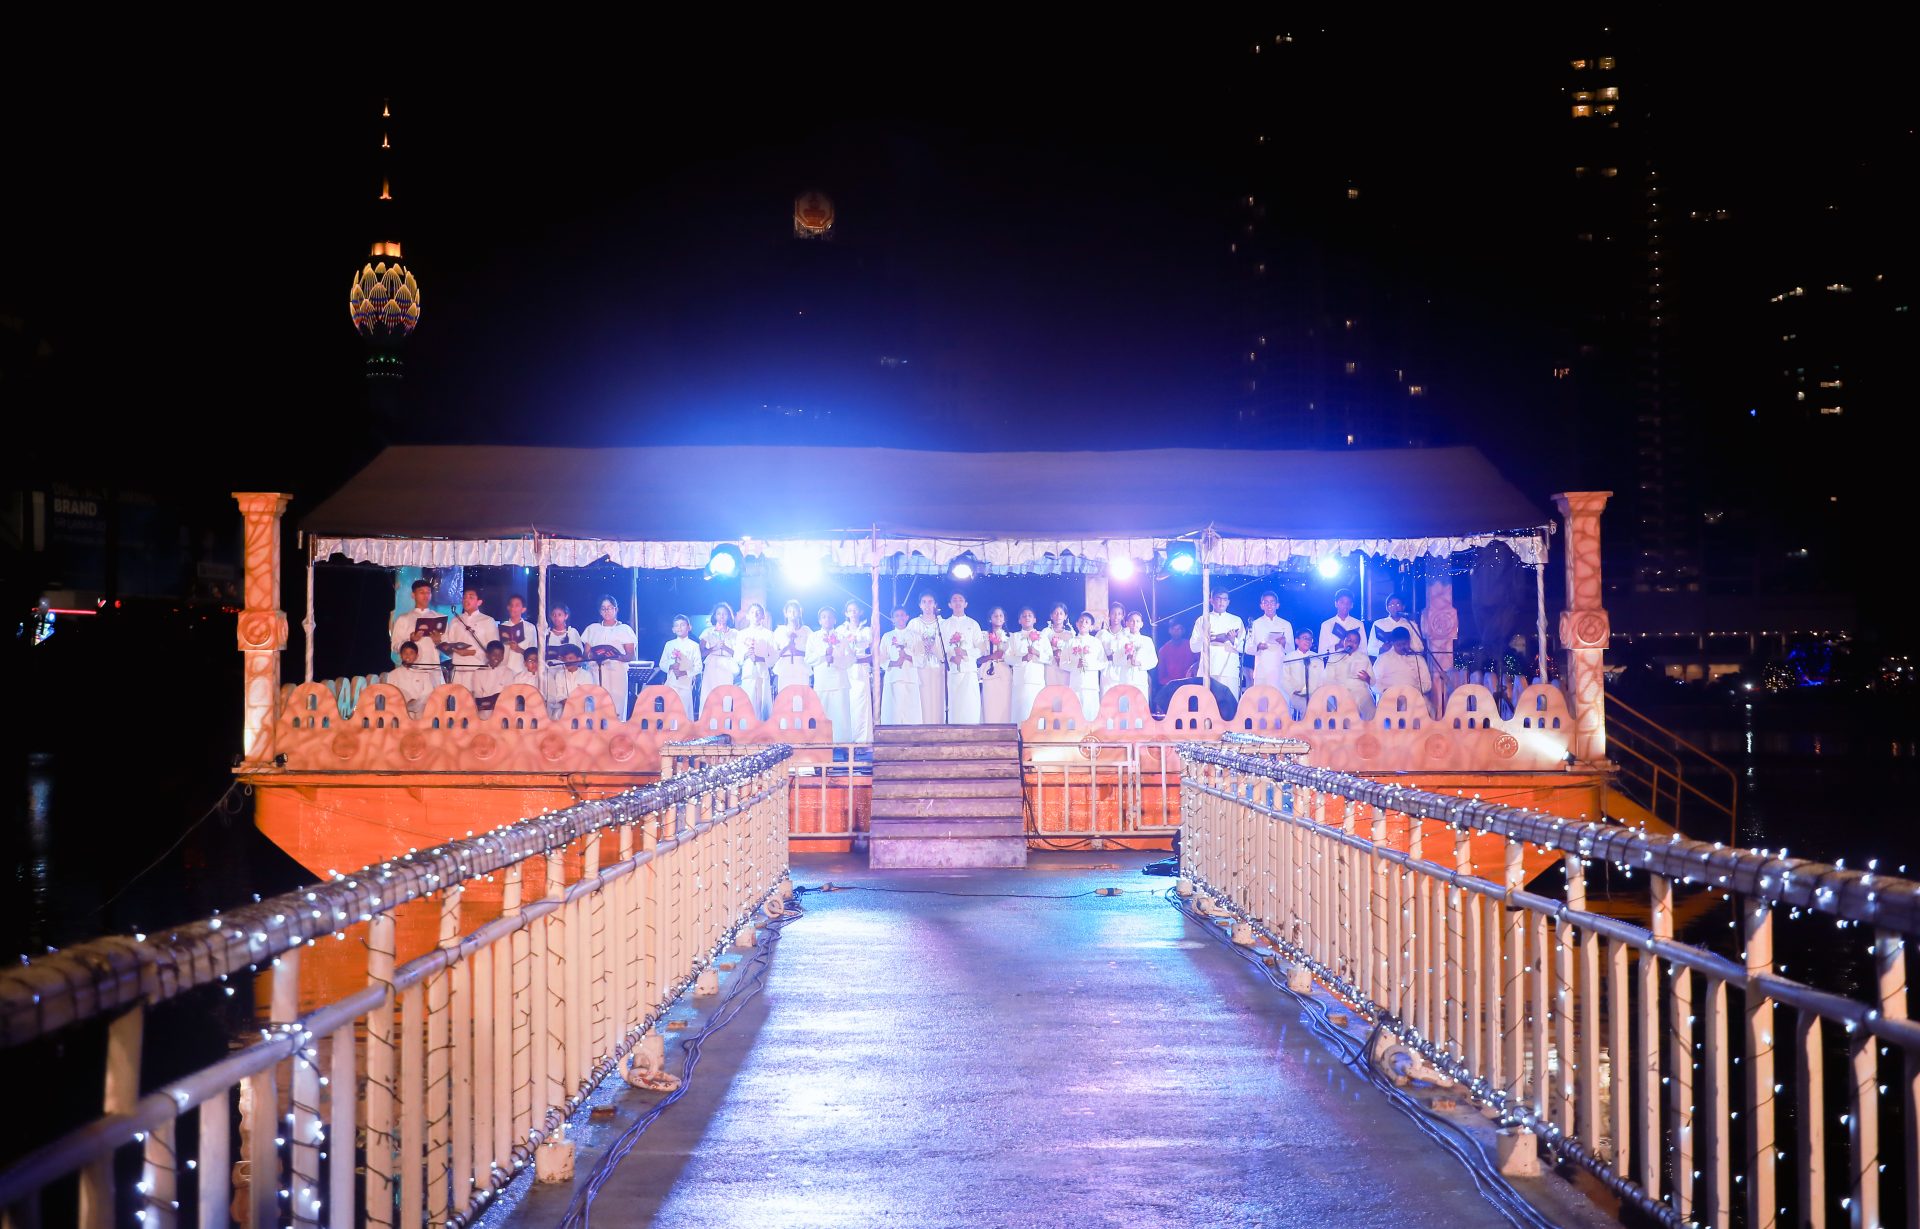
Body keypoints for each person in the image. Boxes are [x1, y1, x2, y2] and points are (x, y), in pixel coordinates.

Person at [581, 595, 637, 720]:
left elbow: (630, 655)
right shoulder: (592, 629)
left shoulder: (624, 629)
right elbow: (585, 654)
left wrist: (616, 656)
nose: (607, 611)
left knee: (616, 705)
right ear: (600, 611)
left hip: (616, 673)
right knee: (597, 706)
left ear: (616, 609)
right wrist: (593, 655)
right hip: (596, 671)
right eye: (603, 608)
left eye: (610, 608)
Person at [1190, 590, 1247, 698]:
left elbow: (1244, 647)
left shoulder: (1236, 620)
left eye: (1224, 599)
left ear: (1228, 602)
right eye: (1218, 598)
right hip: (1208, 669)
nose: (1221, 602)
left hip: (1229, 670)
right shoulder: (1202, 620)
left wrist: (1232, 640)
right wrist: (1206, 639)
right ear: (1211, 600)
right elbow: (1193, 647)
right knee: (1207, 704)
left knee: (1230, 705)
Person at [806, 606, 851, 737]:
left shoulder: (842, 637)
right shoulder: (813, 637)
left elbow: (850, 658)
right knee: (821, 714)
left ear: (835, 620)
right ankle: (822, 744)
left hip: (839, 681)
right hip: (822, 681)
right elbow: (808, 658)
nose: (827, 619)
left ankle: (842, 745)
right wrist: (823, 655)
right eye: (824, 617)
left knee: (841, 715)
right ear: (820, 620)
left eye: (830, 617)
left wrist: (836, 661)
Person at [878, 607, 925, 725]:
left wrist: (907, 657)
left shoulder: (915, 636)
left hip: (910, 677)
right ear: (892, 619)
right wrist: (895, 663)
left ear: (907, 617)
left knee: (911, 712)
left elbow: (921, 657)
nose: (900, 618)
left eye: (902, 615)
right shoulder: (887, 636)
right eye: (897, 615)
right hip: (893, 678)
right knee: (893, 712)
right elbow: (881, 658)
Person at [445, 586, 500, 688]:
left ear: (479, 602)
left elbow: (494, 649)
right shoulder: (455, 620)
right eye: (465, 597)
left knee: (476, 701)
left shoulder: (487, 621)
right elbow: (449, 644)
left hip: (478, 668)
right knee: (458, 701)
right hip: (458, 669)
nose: (466, 600)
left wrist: (471, 652)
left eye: (471, 597)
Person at [942, 592, 983, 725]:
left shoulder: (973, 623)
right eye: (954, 600)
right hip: (953, 672)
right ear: (950, 604)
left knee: (971, 705)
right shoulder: (944, 625)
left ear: (966, 604)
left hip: (969, 671)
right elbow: (940, 649)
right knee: (955, 705)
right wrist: (951, 658)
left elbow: (981, 649)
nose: (958, 602)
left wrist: (965, 653)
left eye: (961, 600)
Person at [391, 579, 447, 674]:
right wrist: (411, 640)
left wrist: (438, 642)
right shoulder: (403, 618)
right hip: (411, 669)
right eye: (422, 592)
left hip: (433, 668)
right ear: (413, 595)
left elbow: (448, 649)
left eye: (428, 593)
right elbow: (395, 646)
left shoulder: (439, 618)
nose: (426, 596)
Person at [1007, 606, 1052, 721]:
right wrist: (1022, 658)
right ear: (1019, 620)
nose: (1027, 617)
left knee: (1037, 714)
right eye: (1024, 616)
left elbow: (1050, 658)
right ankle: (1019, 737)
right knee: (1021, 714)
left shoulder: (1042, 636)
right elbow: (1007, 658)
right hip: (1020, 682)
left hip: (1037, 682)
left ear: (1035, 619)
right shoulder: (1014, 637)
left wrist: (1037, 653)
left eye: (1030, 615)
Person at [1371, 626, 1433, 707]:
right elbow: (1374, 683)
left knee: (1427, 707)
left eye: (1404, 644)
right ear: (1393, 644)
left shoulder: (1418, 659)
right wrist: (1385, 691)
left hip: (1413, 696)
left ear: (1409, 642)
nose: (1402, 647)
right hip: (1390, 698)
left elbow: (1427, 683)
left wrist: (1415, 690)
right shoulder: (1383, 658)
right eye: (1398, 645)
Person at [909, 594, 947, 722]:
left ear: (935, 604)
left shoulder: (942, 623)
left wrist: (935, 649)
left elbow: (946, 647)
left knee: (938, 699)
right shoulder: (913, 624)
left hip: (938, 668)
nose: (927, 605)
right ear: (920, 605)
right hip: (921, 668)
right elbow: (909, 646)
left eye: (930, 602)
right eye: (924, 602)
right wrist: (922, 648)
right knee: (922, 700)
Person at [1323, 627, 1376, 719]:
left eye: (1355, 642)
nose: (1351, 644)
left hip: (1361, 691)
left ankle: (1367, 732)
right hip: (1342, 692)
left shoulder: (1363, 657)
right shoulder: (1334, 657)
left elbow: (1373, 682)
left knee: (1371, 711)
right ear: (1343, 641)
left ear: (1358, 645)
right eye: (1349, 640)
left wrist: (1367, 678)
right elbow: (1327, 680)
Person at [1247, 590, 1295, 692]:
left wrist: (1284, 643)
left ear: (1277, 605)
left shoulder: (1286, 624)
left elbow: (1291, 651)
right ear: (1261, 606)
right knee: (1261, 702)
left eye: (1272, 602)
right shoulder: (1256, 624)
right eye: (1266, 602)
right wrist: (1258, 647)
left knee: (1278, 701)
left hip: (1279, 669)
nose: (1269, 605)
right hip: (1261, 670)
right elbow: (1248, 648)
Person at [1064, 611, 1108, 720]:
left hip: (1091, 686)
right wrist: (1075, 665)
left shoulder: (1096, 642)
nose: (1083, 623)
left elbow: (1103, 663)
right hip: (1075, 685)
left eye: (1087, 622)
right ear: (1077, 624)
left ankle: (1091, 736)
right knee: (1075, 716)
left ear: (1091, 627)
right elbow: (1063, 663)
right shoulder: (1071, 642)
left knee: (1090, 715)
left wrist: (1090, 665)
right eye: (1081, 621)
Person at [735, 602, 775, 721]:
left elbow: (774, 656)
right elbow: (736, 656)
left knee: (763, 705)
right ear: (748, 616)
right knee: (747, 705)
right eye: (752, 612)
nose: (755, 614)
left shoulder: (769, 634)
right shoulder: (742, 634)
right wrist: (745, 654)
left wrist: (761, 659)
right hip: (748, 674)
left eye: (758, 612)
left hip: (762, 674)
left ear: (763, 616)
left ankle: (763, 733)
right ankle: (747, 734)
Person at [842, 600, 875, 741]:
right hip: (846, 671)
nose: (853, 613)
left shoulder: (867, 630)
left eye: (856, 610)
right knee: (847, 705)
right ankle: (847, 739)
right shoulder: (841, 630)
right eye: (850, 610)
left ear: (861, 612)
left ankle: (862, 741)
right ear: (846, 613)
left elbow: (873, 652)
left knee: (861, 705)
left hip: (861, 670)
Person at [1104, 610, 1158, 696]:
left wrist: (1139, 663)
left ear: (1141, 624)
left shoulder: (1147, 640)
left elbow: (1154, 661)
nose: (1134, 623)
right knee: (1125, 708)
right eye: (1132, 621)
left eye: (1137, 621)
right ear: (1127, 623)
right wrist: (1127, 658)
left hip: (1140, 681)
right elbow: (1115, 660)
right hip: (1124, 680)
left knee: (1140, 708)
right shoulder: (1121, 639)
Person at [699, 602, 739, 711]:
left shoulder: (735, 633)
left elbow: (738, 653)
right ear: (715, 616)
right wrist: (714, 648)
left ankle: (724, 724)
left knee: (725, 696)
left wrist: (724, 647)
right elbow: (701, 653)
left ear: (729, 616)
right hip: (712, 666)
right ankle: (706, 724)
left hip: (727, 667)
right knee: (709, 695)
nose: (721, 617)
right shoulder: (707, 632)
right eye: (718, 614)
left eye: (724, 614)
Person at [659, 614, 701, 717]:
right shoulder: (669, 644)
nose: (679, 628)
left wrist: (685, 672)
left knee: (684, 712)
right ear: (673, 629)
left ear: (689, 627)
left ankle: (686, 732)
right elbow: (662, 664)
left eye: (682, 625)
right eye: (677, 625)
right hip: (672, 684)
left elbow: (699, 667)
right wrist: (671, 665)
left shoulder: (694, 646)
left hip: (686, 685)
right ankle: (671, 732)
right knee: (671, 712)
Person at [772, 601, 813, 701]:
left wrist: (799, 652)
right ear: (785, 614)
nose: (792, 613)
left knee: (801, 698)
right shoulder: (780, 631)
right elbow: (774, 653)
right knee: (785, 698)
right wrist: (787, 647)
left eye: (795, 610)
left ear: (800, 612)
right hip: (785, 667)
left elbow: (813, 652)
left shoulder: (807, 631)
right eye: (789, 611)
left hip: (801, 666)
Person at [386, 639, 438, 718]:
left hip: (420, 713)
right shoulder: (392, 674)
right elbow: (390, 695)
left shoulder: (424, 673)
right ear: (400, 655)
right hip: (400, 713)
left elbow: (428, 693)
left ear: (417, 656)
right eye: (405, 653)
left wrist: (414, 705)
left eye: (411, 653)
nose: (408, 656)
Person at [978, 606, 1013, 723]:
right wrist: (991, 657)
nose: (998, 618)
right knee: (990, 705)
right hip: (990, 674)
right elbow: (978, 659)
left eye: (1001, 615)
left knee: (1005, 706)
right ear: (990, 619)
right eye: (995, 615)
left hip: (1005, 675)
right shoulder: (983, 636)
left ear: (1004, 619)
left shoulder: (1011, 637)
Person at [1281, 628, 1321, 720]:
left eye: (1310, 639)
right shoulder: (1289, 657)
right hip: (1297, 695)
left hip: (1315, 694)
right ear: (1297, 641)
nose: (1308, 641)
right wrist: (1293, 691)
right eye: (1305, 638)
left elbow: (1321, 678)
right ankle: (1305, 732)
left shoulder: (1317, 658)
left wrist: (1318, 693)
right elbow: (1284, 679)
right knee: (1308, 707)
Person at [548, 642, 598, 715]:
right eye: (565, 659)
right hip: (564, 708)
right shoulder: (560, 674)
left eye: (570, 658)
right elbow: (559, 696)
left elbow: (587, 696)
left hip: (582, 709)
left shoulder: (586, 675)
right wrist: (567, 703)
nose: (567, 661)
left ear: (579, 659)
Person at [1421, 579, 1459, 673]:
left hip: (1446, 648)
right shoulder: (1428, 612)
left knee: (1447, 671)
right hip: (1433, 646)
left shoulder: (1451, 612)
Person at [496, 594, 538, 676]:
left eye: (517, 605)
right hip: (505, 670)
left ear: (523, 609)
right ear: (508, 607)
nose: (513, 608)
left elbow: (533, 652)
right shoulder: (502, 627)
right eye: (511, 605)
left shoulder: (530, 627)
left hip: (522, 670)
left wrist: (519, 649)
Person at [470, 641, 515, 713]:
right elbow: (478, 697)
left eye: (500, 655)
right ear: (487, 655)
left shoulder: (508, 672)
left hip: (502, 712)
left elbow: (508, 696)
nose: (497, 657)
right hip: (484, 714)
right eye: (494, 654)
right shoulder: (478, 672)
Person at [542, 602, 585, 672]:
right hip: (549, 672)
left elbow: (580, 655)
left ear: (566, 616)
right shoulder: (546, 633)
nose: (556, 618)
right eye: (554, 615)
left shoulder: (572, 632)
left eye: (559, 615)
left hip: (567, 672)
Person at [1317, 589, 1364, 653]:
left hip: (1354, 661)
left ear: (1352, 605)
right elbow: (1321, 651)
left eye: (1348, 603)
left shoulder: (1358, 624)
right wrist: (1338, 646)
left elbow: (1363, 648)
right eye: (1342, 602)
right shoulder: (1326, 625)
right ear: (1336, 604)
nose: (1345, 605)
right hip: (1334, 661)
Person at [1043, 603, 1075, 689]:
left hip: (1064, 669)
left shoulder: (1070, 634)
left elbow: (1072, 652)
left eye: (1061, 613)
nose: (1058, 616)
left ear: (1065, 616)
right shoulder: (1046, 632)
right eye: (1055, 613)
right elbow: (1042, 650)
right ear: (1051, 616)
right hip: (1050, 667)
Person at [1157, 620, 1195, 686]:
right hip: (1171, 685)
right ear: (1169, 630)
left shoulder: (1191, 645)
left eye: (1179, 629)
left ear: (1183, 631)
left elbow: (1198, 663)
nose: (1176, 631)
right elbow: (1161, 675)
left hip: (1189, 683)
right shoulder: (1163, 650)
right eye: (1173, 629)